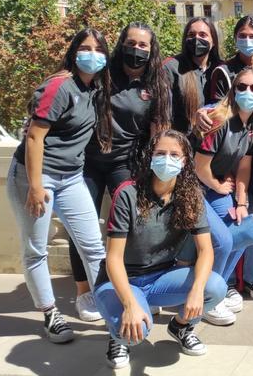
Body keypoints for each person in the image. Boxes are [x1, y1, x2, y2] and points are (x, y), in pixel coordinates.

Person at [6, 28, 112, 343]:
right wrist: (36, 187)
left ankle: (110, 309)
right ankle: (51, 314)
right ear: (73, 51)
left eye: (98, 49)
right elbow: (35, 136)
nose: (92, 54)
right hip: (35, 176)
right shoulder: (59, 85)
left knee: (93, 245)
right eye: (85, 47)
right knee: (36, 249)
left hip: (71, 177)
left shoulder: (93, 88)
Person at [93, 130, 227, 369]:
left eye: (175, 154)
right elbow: (113, 259)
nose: (167, 159)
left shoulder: (191, 196)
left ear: (185, 160)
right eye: (161, 153)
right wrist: (130, 304)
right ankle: (116, 338)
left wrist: (196, 290)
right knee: (134, 332)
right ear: (150, 156)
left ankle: (180, 326)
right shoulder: (128, 194)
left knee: (214, 287)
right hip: (121, 281)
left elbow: (206, 250)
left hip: (161, 277)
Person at [68, 22, 171, 322]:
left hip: (124, 164)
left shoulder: (155, 84)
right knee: (82, 226)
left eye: (143, 45)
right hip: (86, 162)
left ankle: (139, 285)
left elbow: (159, 131)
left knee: (139, 222)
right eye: (132, 43)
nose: (136, 49)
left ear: (151, 50)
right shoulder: (104, 74)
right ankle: (84, 290)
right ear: (122, 43)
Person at [194, 68, 253, 323]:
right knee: (223, 241)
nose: (248, 92)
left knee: (242, 233)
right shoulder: (220, 119)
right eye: (242, 86)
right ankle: (205, 299)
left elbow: (244, 167)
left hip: (217, 187)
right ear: (234, 90)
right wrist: (217, 185)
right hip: (195, 188)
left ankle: (217, 290)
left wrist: (242, 202)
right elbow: (199, 167)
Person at [164, 17, 221, 135]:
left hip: (213, 147)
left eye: (203, 35)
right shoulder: (171, 68)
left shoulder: (221, 69)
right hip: (181, 145)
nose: (197, 39)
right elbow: (162, 115)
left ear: (213, 41)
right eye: (191, 34)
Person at [209, 15, 253, 103]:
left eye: (252, 36)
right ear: (235, 38)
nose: (247, 40)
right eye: (242, 36)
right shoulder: (223, 72)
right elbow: (218, 108)